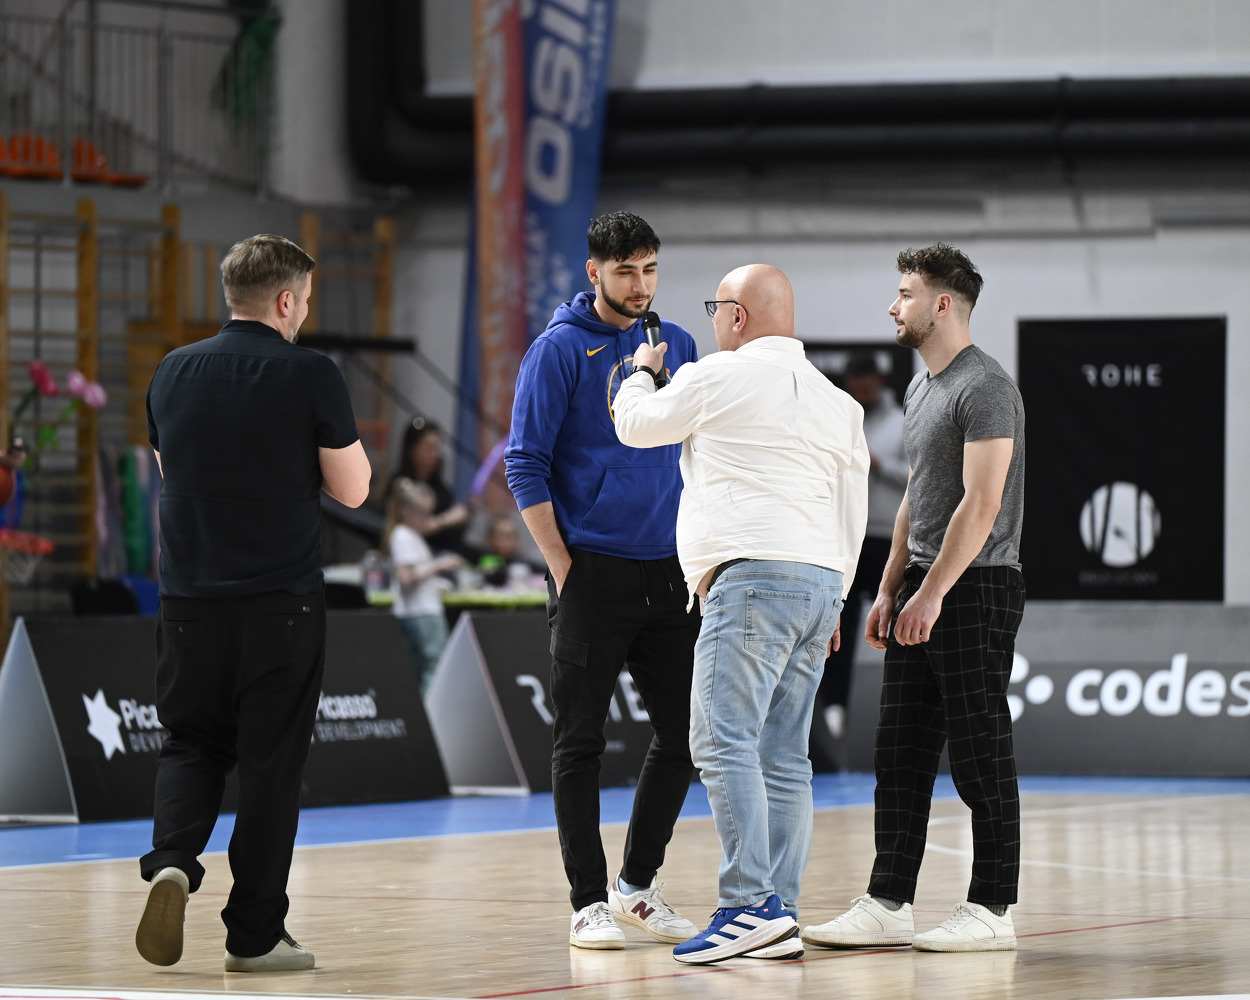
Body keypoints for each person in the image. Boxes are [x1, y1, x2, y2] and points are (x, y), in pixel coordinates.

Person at [615, 264, 869, 964]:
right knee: (784, 755)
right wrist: (839, 597)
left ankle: (748, 905)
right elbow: (853, 510)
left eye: (716, 308)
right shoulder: (837, 402)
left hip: (750, 578)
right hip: (820, 583)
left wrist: (641, 373)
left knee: (720, 740)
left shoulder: (716, 374)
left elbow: (635, 427)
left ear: (736, 316)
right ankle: (778, 909)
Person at [136, 234, 371, 972]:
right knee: (270, 765)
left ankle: (172, 862)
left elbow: (171, 469)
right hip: (280, 603)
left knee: (190, 742)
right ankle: (255, 936)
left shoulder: (171, 370)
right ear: (286, 300)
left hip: (188, 599)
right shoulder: (311, 373)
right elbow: (354, 490)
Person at [802, 242, 1026, 954]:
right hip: (923, 586)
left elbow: (980, 504)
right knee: (898, 755)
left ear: (942, 304)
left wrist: (930, 593)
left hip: (976, 586)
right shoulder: (923, 388)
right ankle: (888, 901)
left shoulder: (986, 387)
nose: (892, 306)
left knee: (980, 754)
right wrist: (890, 587)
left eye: (905, 293)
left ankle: (991, 908)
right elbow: (915, 501)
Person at [504, 211, 703, 950]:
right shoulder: (557, 351)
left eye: (649, 269)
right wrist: (565, 568)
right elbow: (524, 464)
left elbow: (695, 449)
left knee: (686, 737)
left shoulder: (679, 342)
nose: (641, 284)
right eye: (626, 271)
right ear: (594, 272)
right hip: (590, 570)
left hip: (671, 571)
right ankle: (586, 900)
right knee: (579, 741)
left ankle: (636, 887)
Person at [816, 351, 909, 748]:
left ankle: (908, 708)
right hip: (847, 538)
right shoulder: (838, 419)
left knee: (900, 624)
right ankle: (834, 708)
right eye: (857, 382)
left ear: (880, 382)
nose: (863, 388)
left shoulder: (902, 422)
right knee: (841, 624)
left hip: (890, 538)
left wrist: (879, 464)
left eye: (869, 381)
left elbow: (920, 477)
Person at [387, 477, 462, 692]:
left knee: (425, 668)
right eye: (422, 514)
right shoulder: (403, 536)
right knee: (435, 667)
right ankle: (430, 710)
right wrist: (438, 565)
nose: (427, 519)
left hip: (419, 611)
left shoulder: (409, 535)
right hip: (422, 613)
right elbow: (406, 578)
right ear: (405, 511)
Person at [389, 418, 470, 555]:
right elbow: (408, 526)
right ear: (412, 449)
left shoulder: (440, 488)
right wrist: (448, 519)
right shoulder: (401, 485)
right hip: (418, 556)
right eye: (428, 447)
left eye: (436, 448)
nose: (434, 455)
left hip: (448, 553)